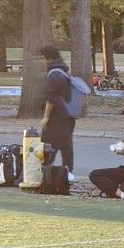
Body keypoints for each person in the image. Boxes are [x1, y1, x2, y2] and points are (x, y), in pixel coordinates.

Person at [38, 45, 75, 182]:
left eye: (42, 58)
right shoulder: (65, 72)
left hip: (56, 117)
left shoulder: (54, 75)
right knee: (66, 146)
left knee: (48, 148)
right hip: (68, 116)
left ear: (49, 59)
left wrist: (46, 117)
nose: (41, 61)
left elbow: (51, 98)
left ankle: (44, 173)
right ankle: (68, 172)